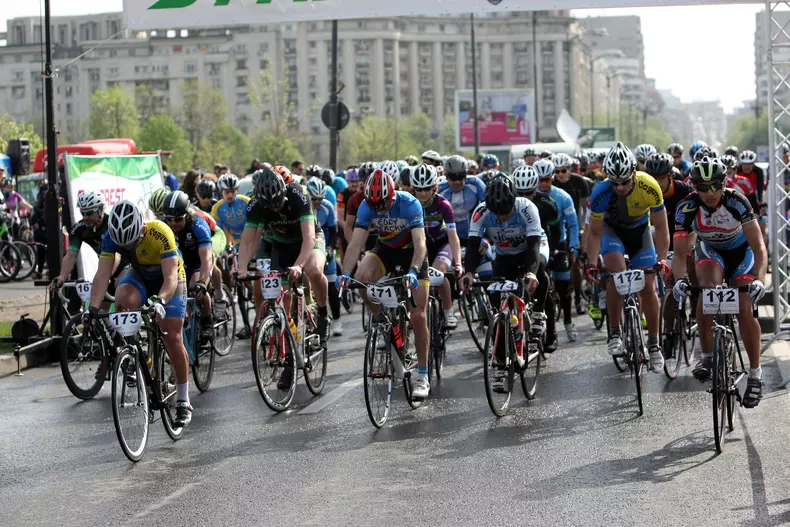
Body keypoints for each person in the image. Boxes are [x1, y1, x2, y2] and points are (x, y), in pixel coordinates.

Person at [672, 157, 767, 408]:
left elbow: (758, 247)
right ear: (694, 188)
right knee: (707, 295)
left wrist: (759, 279)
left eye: (716, 185)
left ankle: (756, 375)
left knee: (745, 308)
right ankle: (707, 356)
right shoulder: (686, 207)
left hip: (741, 253)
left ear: (725, 183)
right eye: (703, 188)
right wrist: (679, 280)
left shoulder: (737, 202)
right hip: (711, 252)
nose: (710, 192)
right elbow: (681, 252)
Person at [90, 200, 192, 427]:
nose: (128, 249)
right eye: (123, 247)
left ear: (142, 229)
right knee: (122, 298)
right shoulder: (109, 238)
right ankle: (140, 355)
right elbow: (101, 276)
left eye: (132, 243)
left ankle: (183, 399)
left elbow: (171, 278)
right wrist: (93, 310)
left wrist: (161, 300)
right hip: (141, 275)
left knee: (172, 336)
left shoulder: (160, 231)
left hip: (170, 278)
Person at [339, 169, 432, 399]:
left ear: (392, 195)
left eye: (383, 204)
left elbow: (420, 244)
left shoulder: (410, 203)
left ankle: (422, 374)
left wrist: (412, 271)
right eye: (375, 205)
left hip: (412, 253)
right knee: (361, 278)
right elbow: (355, 244)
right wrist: (345, 275)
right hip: (387, 250)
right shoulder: (366, 205)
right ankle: (381, 319)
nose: (379, 209)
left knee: (418, 315)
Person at [585, 142, 669, 373]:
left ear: (634, 173)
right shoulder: (601, 192)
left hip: (640, 232)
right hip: (612, 232)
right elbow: (594, 232)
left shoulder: (649, 185)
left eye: (625, 182)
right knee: (617, 276)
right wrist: (592, 264)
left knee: (648, 287)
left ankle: (653, 343)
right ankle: (614, 332)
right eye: (615, 182)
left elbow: (661, 228)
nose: (620, 187)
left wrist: (661, 260)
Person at [238, 167, 330, 361]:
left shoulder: (299, 194)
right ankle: (290, 358)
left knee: (313, 270)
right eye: (268, 206)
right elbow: (248, 241)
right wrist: (242, 268)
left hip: (308, 240)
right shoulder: (255, 205)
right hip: (281, 244)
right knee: (284, 303)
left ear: (284, 191)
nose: (274, 209)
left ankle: (323, 312)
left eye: (277, 203)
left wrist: (298, 266)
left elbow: (309, 237)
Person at [463, 175, 543, 391]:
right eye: (497, 213)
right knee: (499, 307)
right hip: (504, 256)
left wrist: (531, 273)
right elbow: (472, 246)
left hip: (528, 250)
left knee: (540, 270)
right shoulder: (481, 212)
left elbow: (534, 245)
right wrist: (468, 272)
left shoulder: (527, 208)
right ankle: (500, 364)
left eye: (506, 212)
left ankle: (537, 315)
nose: (502, 217)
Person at [410, 164, 463, 329]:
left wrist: (459, 263)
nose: (423, 193)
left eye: (427, 188)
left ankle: (448, 312)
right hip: (418, 246)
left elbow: (453, 237)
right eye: (419, 189)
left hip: (441, 244)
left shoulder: (443, 204)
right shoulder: (409, 203)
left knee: (438, 274)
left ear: (435, 187)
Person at [534, 158, 580, 342]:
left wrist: (573, 246)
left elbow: (573, 225)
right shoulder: (529, 196)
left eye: (547, 179)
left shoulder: (563, 197)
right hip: (537, 244)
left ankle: (568, 321)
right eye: (540, 180)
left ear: (553, 178)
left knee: (563, 287)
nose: (544, 184)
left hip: (558, 244)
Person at [163, 191, 216, 351]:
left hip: (196, 262)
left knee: (196, 285)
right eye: (169, 219)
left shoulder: (198, 225)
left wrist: (203, 282)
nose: (173, 223)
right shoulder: (162, 225)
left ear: (187, 215)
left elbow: (207, 257)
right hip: (176, 264)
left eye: (178, 219)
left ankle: (207, 321)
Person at [52, 191, 125, 298]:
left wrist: (105, 277)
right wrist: (62, 276)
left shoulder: (112, 224)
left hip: (125, 264)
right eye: (83, 213)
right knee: (100, 308)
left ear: (100, 210)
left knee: (120, 287)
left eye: (90, 213)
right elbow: (71, 255)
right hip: (107, 266)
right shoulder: (79, 229)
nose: (85, 217)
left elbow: (117, 255)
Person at [512, 164, 554, 343]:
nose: (524, 198)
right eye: (519, 193)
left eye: (528, 193)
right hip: (517, 242)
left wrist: (556, 250)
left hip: (540, 239)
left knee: (541, 270)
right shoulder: (508, 201)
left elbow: (556, 229)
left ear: (535, 189)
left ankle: (548, 329)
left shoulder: (546, 202)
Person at [551, 153, 592, 315]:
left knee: (575, 262)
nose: (561, 174)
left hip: (575, 223)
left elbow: (584, 209)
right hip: (557, 226)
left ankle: (577, 298)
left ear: (570, 169)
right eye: (557, 171)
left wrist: (582, 230)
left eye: (564, 170)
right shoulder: (550, 182)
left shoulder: (580, 182)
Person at [306, 177, 343, 336]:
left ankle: (336, 319)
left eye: (320, 199)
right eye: (314, 199)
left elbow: (334, 233)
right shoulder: (301, 207)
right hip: (307, 247)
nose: (318, 203)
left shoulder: (327, 208)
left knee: (332, 283)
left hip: (324, 246)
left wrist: (330, 248)